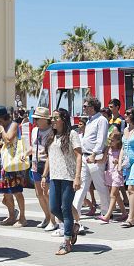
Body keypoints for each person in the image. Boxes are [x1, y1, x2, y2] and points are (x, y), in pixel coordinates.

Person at [41, 107, 83, 254]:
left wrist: (77, 177)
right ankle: (71, 228)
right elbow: (49, 157)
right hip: (54, 177)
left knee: (65, 208)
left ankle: (66, 242)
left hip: (68, 177)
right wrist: (44, 175)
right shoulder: (51, 136)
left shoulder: (72, 134)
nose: (53, 120)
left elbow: (79, 156)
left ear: (64, 120)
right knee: (53, 208)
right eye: (52, 118)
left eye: (56, 118)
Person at [0, 105, 28, 227]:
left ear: (4, 118)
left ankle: (22, 217)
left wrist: (1, 128)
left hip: (13, 162)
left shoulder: (13, 125)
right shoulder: (5, 127)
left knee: (16, 191)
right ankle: (11, 215)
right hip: (4, 162)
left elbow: (9, 139)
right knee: (6, 192)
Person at [73, 97, 110, 220]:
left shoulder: (101, 120)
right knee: (81, 186)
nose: (83, 108)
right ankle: (75, 213)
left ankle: (106, 211)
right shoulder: (89, 121)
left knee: (100, 186)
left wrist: (94, 154)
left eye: (85, 106)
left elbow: (101, 139)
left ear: (92, 107)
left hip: (94, 157)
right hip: (84, 156)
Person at [28, 106, 54, 229]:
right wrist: (25, 154)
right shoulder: (34, 131)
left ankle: (53, 220)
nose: (36, 121)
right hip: (35, 164)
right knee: (39, 194)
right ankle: (47, 216)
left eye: (38, 118)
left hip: (46, 164)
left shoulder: (52, 131)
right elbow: (32, 146)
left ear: (45, 119)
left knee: (46, 193)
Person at [101, 130, 127, 223]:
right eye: (109, 140)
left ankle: (107, 215)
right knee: (116, 195)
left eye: (112, 140)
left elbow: (123, 160)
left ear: (118, 141)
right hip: (109, 173)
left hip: (117, 173)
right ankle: (124, 213)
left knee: (113, 195)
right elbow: (104, 159)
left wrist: (117, 161)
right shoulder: (108, 149)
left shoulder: (121, 150)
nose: (110, 142)